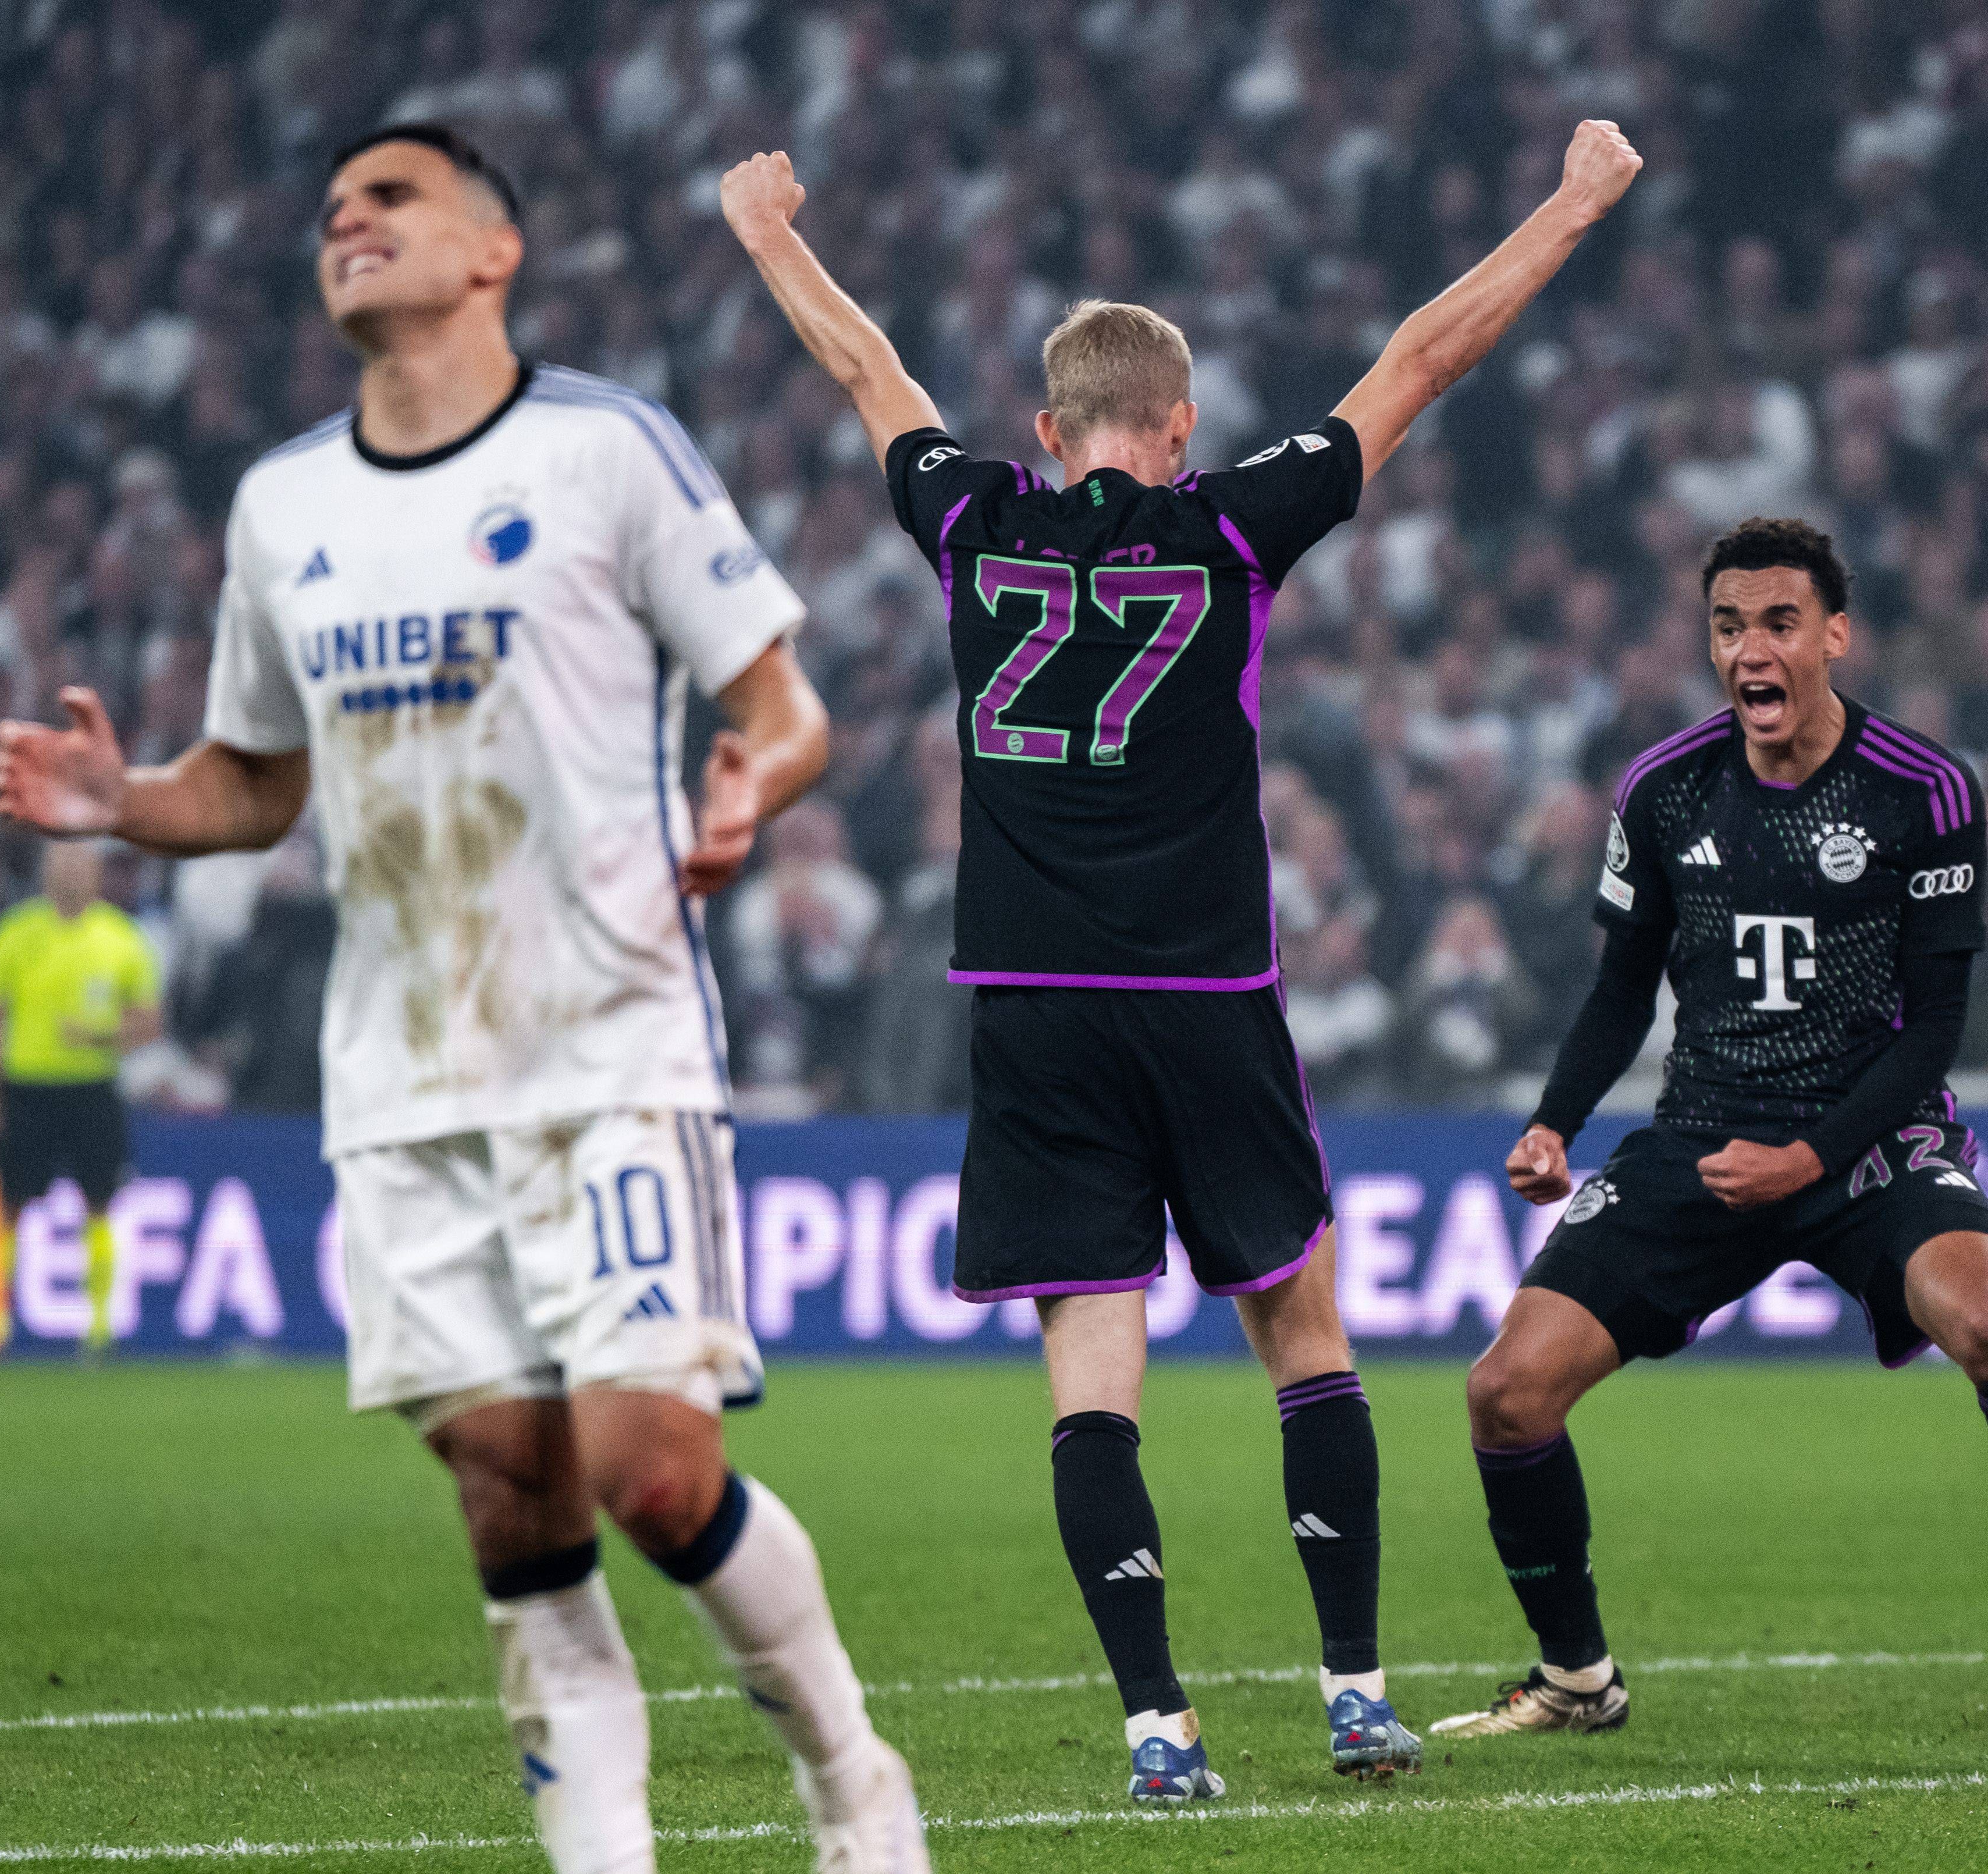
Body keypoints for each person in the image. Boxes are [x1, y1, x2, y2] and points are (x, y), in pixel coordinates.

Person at [0, 124, 927, 1874]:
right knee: (510, 1480)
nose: (348, 219)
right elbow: (257, 783)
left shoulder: (603, 450)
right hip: (401, 1071)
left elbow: (784, 706)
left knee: (645, 1460)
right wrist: (126, 802)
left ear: (492, 251)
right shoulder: (283, 507)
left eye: (390, 198)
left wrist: (752, 789)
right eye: (333, 208)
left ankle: (854, 1776)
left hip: (607, 1041)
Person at [719, 119, 1643, 1802]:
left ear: (1048, 431)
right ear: (1184, 427)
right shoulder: (1229, 530)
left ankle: (1160, 1726)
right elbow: (1422, 355)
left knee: (1093, 1375)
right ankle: (1357, 1690)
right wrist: (1574, 202)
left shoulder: (969, 522)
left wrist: (764, 226)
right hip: (1210, 996)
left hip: (1034, 1007)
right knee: (1303, 1330)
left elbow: (865, 364)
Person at [1441, 517, 1988, 1745]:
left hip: (1873, 1143)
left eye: (1776, 623)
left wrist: (1811, 1158)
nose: (1748, 650)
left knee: (1987, 1322)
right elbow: (1622, 988)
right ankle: (1575, 1677)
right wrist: (1555, 1120)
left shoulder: (1922, 788)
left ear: (1834, 634)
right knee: (1505, 1389)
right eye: (1726, 625)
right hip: (1705, 1135)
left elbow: (1934, 1027)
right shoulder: (1662, 788)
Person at [0, 840, 161, 1361]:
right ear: (45, 871)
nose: (69, 873)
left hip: (91, 1088)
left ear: (96, 872)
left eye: (79, 864)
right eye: (59, 864)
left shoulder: (120, 938)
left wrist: (100, 1036)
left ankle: (99, 1329)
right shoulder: (16, 932)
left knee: (99, 1202)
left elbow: (149, 1021)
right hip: (27, 1086)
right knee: (6, 1203)